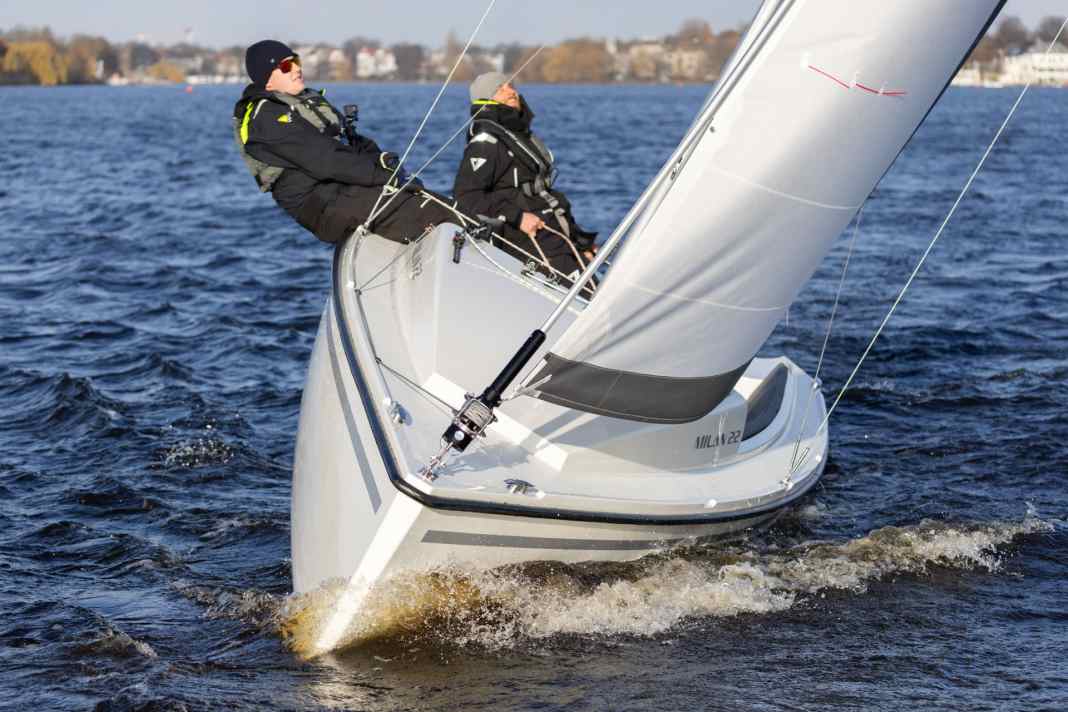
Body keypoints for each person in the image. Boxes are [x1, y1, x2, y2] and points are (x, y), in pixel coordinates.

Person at [232, 40, 455, 245]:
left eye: (296, 61)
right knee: (429, 212)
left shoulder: (303, 102)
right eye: (286, 66)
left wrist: (382, 161)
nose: (297, 69)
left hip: (341, 190)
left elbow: (352, 141)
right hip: (322, 205)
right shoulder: (267, 118)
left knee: (438, 202)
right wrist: (384, 177)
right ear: (267, 80)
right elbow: (327, 160)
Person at [452, 72, 597, 284]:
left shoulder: (518, 136)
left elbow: (544, 197)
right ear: (486, 98)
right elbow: (466, 196)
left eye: (511, 86)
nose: (511, 91)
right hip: (530, 242)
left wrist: (579, 242)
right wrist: (518, 217)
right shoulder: (486, 142)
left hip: (555, 237)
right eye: (500, 88)